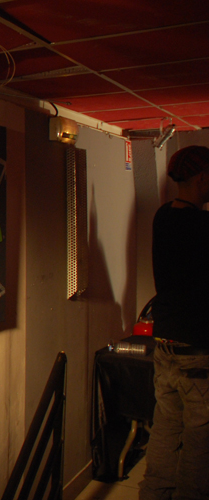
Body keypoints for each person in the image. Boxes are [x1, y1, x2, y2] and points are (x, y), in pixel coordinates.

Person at [141, 145, 209, 500]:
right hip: (197, 345)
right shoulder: (202, 225)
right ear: (202, 178)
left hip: (165, 341)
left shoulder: (163, 216)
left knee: (166, 426)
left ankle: (154, 493)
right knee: (200, 436)